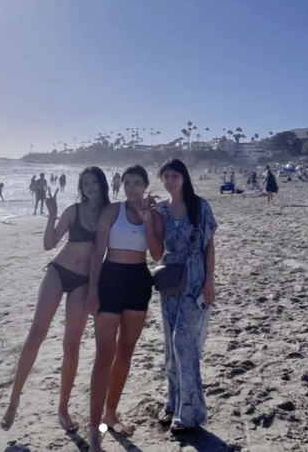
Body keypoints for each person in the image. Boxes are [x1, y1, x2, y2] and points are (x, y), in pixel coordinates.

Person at [0, 167, 110, 433]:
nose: (90, 187)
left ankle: (63, 408)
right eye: (85, 183)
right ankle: (13, 400)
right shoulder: (73, 210)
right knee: (37, 332)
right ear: (81, 187)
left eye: (94, 182)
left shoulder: (109, 213)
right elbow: (49, 244)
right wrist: (51, 214)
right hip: (58, 272)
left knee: (71, 344)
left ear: (102, 184)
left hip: (83, 282)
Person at [87, 165, 164, 452]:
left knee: (125, 351)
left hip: (138, 282)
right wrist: (93, 291)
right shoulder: (112, 211)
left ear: (145, 185)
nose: (132, 188)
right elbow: (98, 252)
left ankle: (110, 414)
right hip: (110, 280)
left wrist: (147, 221)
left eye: (137, 183)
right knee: (103, 354)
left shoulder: (154, 214)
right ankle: (94, 428)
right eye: (128, 182)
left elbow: (157, 254)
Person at [155, 158, 217, 434]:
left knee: (183, 342)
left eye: (175, 176)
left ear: (184, 178)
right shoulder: (160, 210)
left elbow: (209, 247)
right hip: (170, 280)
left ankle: (189, 412)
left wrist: (209, 282)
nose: (170, 181)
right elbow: (156, 250)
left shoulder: (200, 207)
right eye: (166, 176)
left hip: (194, 281)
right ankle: (173, 403)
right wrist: (146, 218)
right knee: (170, 345)